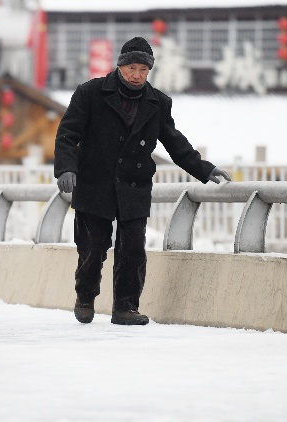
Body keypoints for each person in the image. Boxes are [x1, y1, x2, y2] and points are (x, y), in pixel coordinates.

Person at [54, 36, 231, 326]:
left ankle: (126, 308)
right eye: (132, 68)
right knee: (93, 248)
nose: (137, 76)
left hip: (133, 186)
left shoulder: (157, 102)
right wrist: (65, 169)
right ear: (120, 66)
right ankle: (85, 297)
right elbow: (67, 135)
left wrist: (204, 169)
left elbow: (175, 143)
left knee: (133, 250)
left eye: (143, 70)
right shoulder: (90, 93)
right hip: (95, 183)